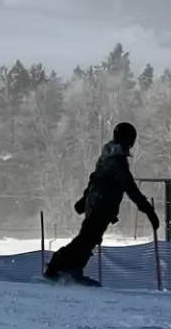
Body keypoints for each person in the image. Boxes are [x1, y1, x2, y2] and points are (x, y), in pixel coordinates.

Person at [45, 121, 158, 284]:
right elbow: (129, 186)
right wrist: (148, 210)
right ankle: (57, 267)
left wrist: (85, 199)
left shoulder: (107, 155)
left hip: (96, 204)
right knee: (87, 238)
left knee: (89, 238)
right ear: (129, 140)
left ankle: (72, 269)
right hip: (102, 206)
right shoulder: (118, 161)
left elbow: (95, 178)